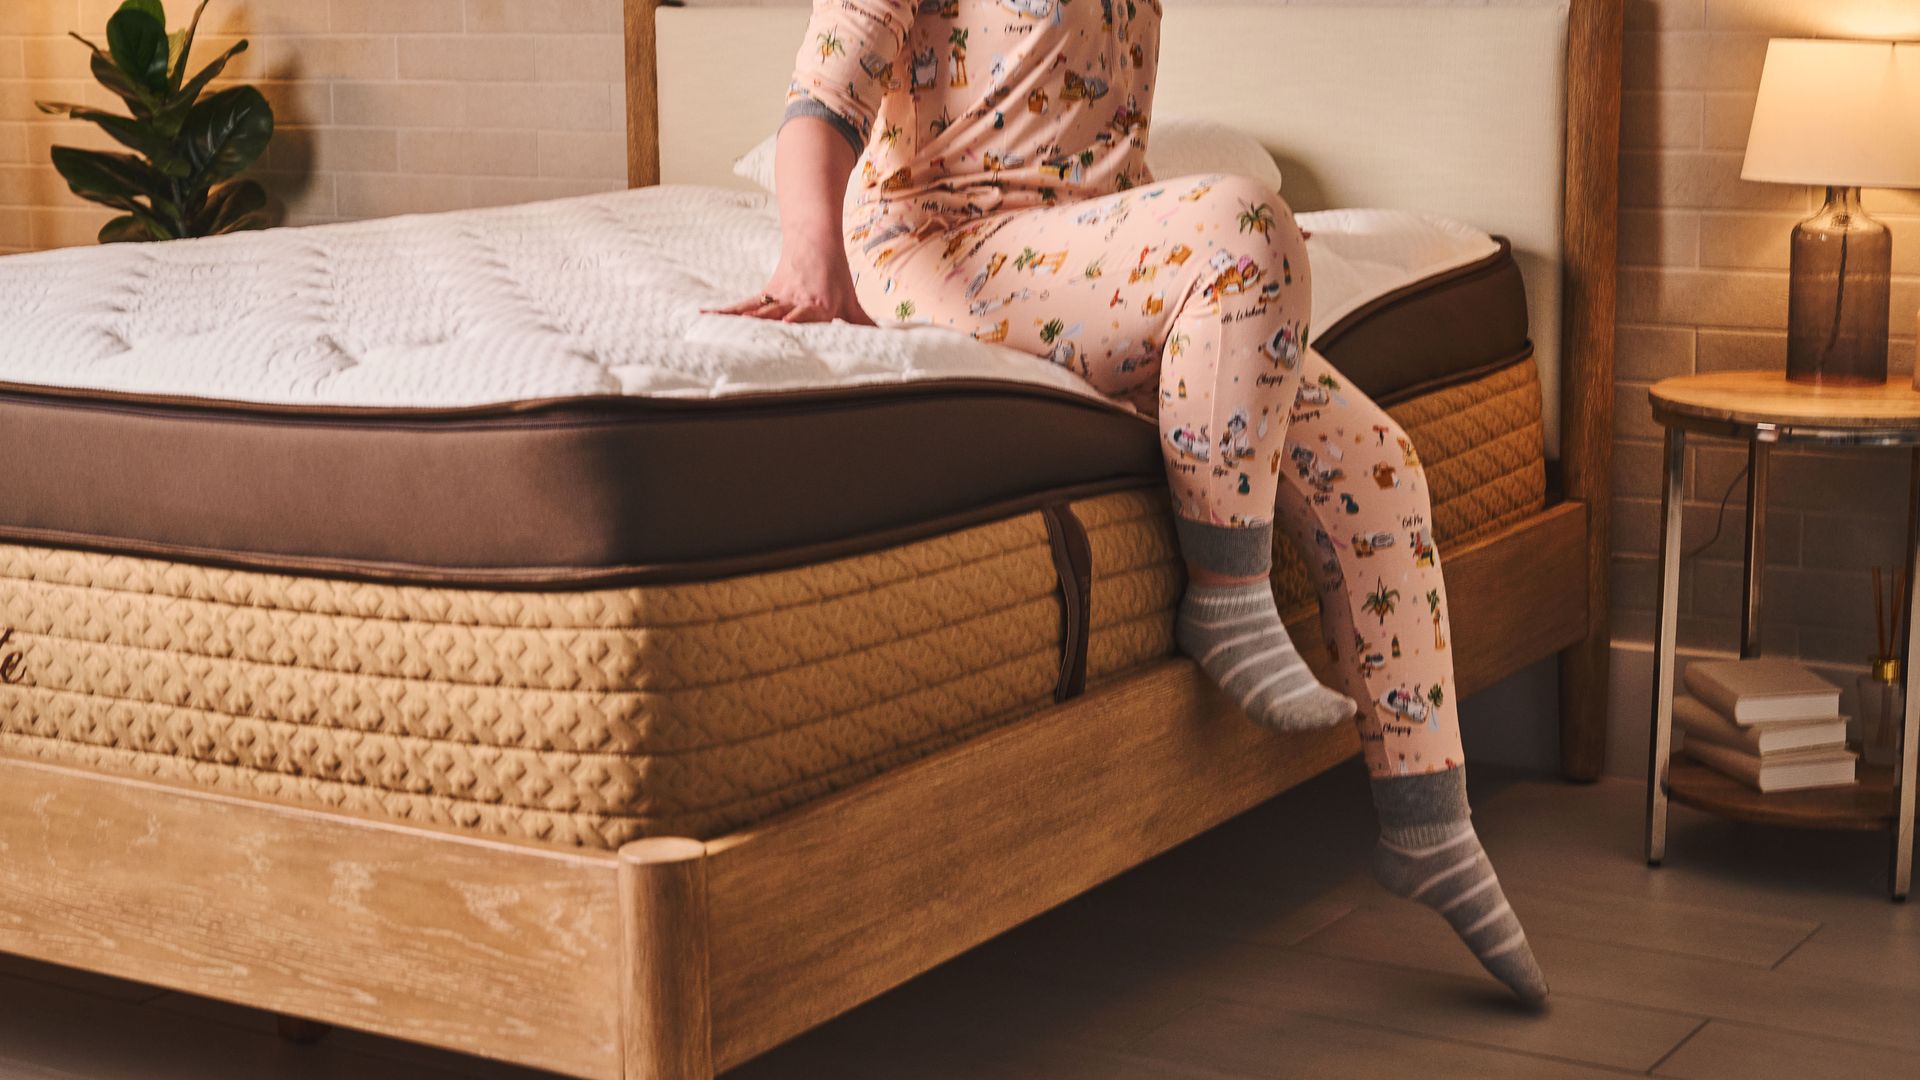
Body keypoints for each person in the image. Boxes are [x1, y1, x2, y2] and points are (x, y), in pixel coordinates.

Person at [711, 0, 1547, 1004]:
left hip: (1095, 252)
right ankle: (1227, 596)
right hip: (945, 247)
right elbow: (823, 96)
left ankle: (1430, 823)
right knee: (1244, 227)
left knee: (1377, 466)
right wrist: (812, 255)